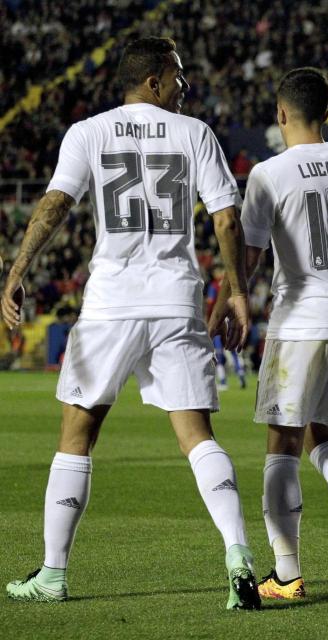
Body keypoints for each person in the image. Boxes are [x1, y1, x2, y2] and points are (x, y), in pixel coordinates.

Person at [2, 37, 260, 609]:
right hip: (176, 301)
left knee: (76, 436)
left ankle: (52, 573)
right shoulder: (194, 134)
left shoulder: (88, 133)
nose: (184, 86)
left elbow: (53, 205)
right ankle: (238, 552)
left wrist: (18, 269)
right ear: (153, 81)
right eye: (178, 76)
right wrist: (237, 291)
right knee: (198, 437)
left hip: (111, 304)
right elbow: (226, 220)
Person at [210, 68, 328, 600]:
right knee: (326, 439)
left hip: (299, 321)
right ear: (327, 112)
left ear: (280, 114)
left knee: (282, 444)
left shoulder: (269, 174)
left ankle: (288, 573)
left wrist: (229, 299)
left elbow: (245, 257)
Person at [206, 265, 247, 391]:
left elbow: (210, 302)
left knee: (218, 351)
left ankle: (223, 381)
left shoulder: (214, 286)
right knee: (233, 350)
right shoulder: (230, 284)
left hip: (219, 319)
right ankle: (241, 376)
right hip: (231, 318)